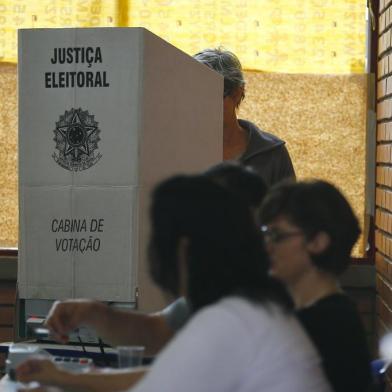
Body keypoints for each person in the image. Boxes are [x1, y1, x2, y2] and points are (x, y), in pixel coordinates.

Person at [17, 175, 330, 392]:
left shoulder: (231, 318)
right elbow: (163, 348)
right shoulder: (246, 304)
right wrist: (91, 321)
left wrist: (66, 380)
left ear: (183, 246)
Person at [259, 179, 373, 392]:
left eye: (277, 235)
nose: (267, 246)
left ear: (318, 242)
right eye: (265, 234)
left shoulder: (325, 325)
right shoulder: (319, 312)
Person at [193, 48, 296, 186]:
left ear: (236, 93)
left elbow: (287, 206)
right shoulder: (177, 147)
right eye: (194, 96)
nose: (201, 105)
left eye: (211, 96)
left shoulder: (273, 153)